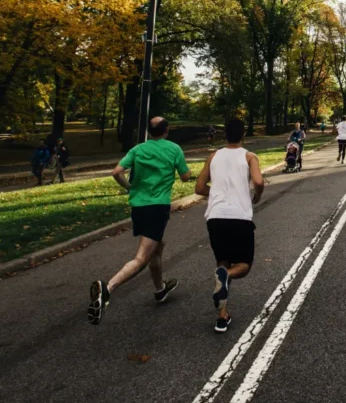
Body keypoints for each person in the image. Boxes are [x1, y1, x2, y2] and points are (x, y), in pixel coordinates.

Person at [87, 117, 191, 325]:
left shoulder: (138, 149)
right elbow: (186, 177)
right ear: (167, 130)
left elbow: (116, 171)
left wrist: (129, 187)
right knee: (142, 257)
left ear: (149, 131)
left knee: (158, 247)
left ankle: (160, 290)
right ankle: (107, 289)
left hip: (139, 207)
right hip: (157, 207)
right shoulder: (173, 149)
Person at [195, 118, 265, 333]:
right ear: (243, 135)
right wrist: (257, 196)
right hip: (240, 217)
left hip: (215, 217)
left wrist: (216, 194)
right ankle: (228, 278)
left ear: (224, 134)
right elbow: (259, 182)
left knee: (222, 263)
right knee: (243, 265)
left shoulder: (213, 156)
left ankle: (222, 316)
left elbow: (199, 187)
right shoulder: (249, 156)